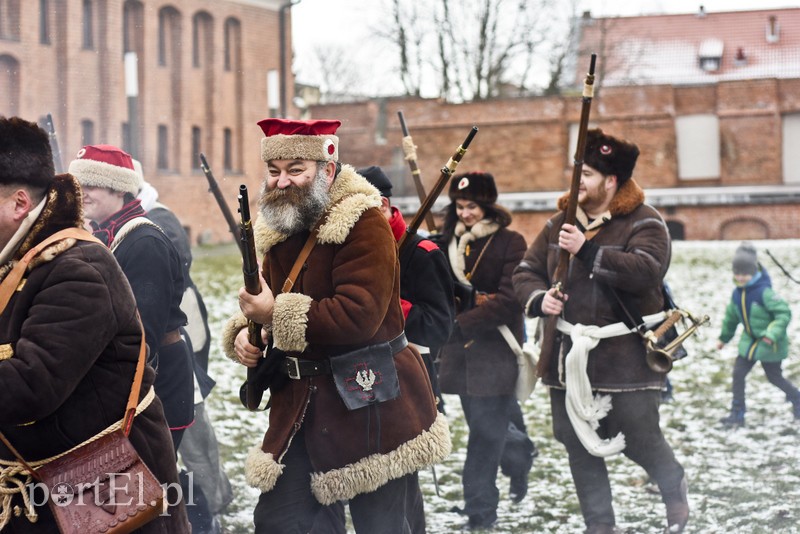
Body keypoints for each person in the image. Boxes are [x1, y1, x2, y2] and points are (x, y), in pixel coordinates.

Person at [222, 118, 451, 533]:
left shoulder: (365, 224)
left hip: (370, 403)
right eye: (274, 171)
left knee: (381, 526)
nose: (282, 182)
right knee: (280, 523)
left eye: (296, 170)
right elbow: (267, 297)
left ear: (326, 171)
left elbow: (357, 315)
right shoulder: (280, 226)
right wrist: (244, 331)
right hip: (302, 406)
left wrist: (274, 314)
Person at [0, 116, 190, 532]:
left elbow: (32, 385)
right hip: (45, 482)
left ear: (18, 205)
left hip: (99, 489)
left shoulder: (80, 267)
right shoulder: (20, 261)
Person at [512, 128, 688, 534]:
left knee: (640, 439)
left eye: (587, 174)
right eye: (579, 173)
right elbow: (527, 271)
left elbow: (647, 273)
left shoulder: (647, 223)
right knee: (575, 442)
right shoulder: (561, 221)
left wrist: (586, 250)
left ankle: (672, 484)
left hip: (626, 357)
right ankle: (600, 525)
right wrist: (540, 299)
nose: (579, 182)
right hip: (566, 355)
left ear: (611, 180)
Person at [69, 145, 195, 452]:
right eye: (79, 185)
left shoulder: (144, 241)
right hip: (131, 382)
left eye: (92, 185)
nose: (82, 193)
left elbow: (143, 335)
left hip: (156, 387)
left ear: (120, 188)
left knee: (145, 489)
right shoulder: (107, 234)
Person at [434, 171, 536, 530]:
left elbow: (511, 301)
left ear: (488, 206)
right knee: (486, 426)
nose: (465, 214)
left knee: (483, 436)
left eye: (472, 207)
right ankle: (521, 451)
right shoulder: (447, 241)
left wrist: (462, 320)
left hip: (496, 352)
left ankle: (480, 511)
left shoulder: (511, 242)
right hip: (459, 356)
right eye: (460, 207)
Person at [359, 165, 455, 532]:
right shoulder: (358, 250)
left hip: (411, 373)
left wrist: (386, 302)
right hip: (365, 375)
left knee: (401, 475)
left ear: (382, 206)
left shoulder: (423, 253)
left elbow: (439, 327)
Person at [137, 173, 233, 534]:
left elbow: (173, 269)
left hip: (180, 332)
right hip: (165, 335)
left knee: (192, 429)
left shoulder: (157, 219)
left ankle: (213, 502)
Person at [716, 242, 800, 426]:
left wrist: (771, 334)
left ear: (754, 272)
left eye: (745, 273)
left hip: (770, 344)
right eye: (737, 273)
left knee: (774, 377)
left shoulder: (765, 292)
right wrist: (724, 338)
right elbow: (731, 317)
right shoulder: (737, 294)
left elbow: (783, 313)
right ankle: (737, 414)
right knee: (738, 374)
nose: (741, 277)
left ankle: (797, 398)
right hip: (749, 343)